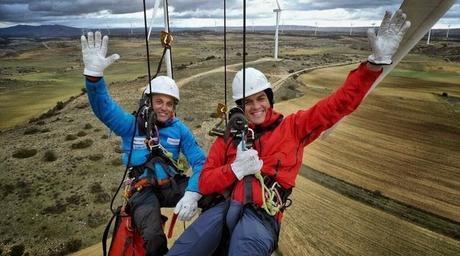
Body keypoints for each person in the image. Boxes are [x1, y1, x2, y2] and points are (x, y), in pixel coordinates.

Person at [168, 10, 411, 255]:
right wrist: (235, 169)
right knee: (183, 251)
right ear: (240, 108)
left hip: (262, 216)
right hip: (223, 206)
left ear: (269, 99)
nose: (256, 107)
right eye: (248, 102)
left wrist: (373, 66)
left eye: (260, 98)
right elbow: (207, 181)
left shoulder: (293, 127)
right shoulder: (228, 139)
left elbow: (337, 105)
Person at [81, 31, 206, 255]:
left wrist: (193, 193)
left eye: (170, 103)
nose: (164, 107)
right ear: (148, 102)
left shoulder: (180, 130)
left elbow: (200, 163)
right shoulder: (132, 126)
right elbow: (105, 110)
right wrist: (94, 79)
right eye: (159, 101)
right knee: (153, 236)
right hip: (142, 189)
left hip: (170, 184)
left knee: (215, 195)